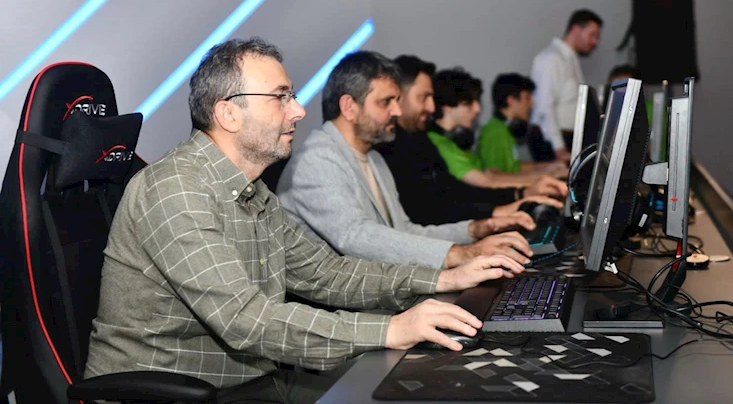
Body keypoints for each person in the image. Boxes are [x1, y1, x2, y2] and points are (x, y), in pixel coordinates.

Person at [84, 38, 524, 404]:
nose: (297, 110)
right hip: (174, 393)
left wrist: (444, 278)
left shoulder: (252, 191)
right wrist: (392, 328)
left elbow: (328, 273)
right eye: (281, 97)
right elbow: (246, 320)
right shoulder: (176, 190)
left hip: (252, 380)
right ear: (228, 113)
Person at [277, 51, 537, 270]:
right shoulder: (317, 159)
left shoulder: (374, 159)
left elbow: (404, 231)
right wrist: (461, 254)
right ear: (349, 107)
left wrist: (475, 230)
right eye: (386, 102)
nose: (397, 111)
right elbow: (356, 237)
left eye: (398, 101)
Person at [376, 56, 562, 225]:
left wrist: (519, 194)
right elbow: (429, 211)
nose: (432, 107)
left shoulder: (420, 139)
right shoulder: (394, 148)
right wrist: (497, 212)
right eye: (424, 97)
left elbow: (455, 190)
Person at [428, 68, 568, 196]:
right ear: (447, 107)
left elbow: (495, 173)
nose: (477, 109)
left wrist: (546, 171)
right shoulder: (441, 146)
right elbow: (487, 180)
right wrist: (544, 179)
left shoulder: (456, 143)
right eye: (469, 103)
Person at [531, 9, 603, 162]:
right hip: (552, 142)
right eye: (592, 35)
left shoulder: (571, 59)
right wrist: (558, 146)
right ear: (575, 29)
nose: (594, 42)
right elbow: (544, 105)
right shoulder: (551, 59)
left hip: (568, 138)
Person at [477, 73, 567, 178]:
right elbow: (494, 175)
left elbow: (513, 166)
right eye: (527, 98)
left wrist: (548, 166)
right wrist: (546, 174)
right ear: (510, 101)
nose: (532, 103)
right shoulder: (495, 133)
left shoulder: (504, 128)